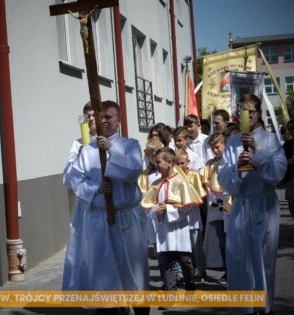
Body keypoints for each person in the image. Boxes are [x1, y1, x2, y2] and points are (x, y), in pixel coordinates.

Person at [62, 101, 149, 315]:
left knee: (133, 273)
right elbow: (74, 179)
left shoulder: (130, 145)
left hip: (125, 219)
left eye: (109, 117)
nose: (104, 121)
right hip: (100, 220)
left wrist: (110, 149)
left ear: (119, 120)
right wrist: (96, 188)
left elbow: (133, 170)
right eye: (101, 117)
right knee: (106, 273)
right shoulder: (86, 149)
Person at [217, 93, 287, 315]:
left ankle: (263, 308)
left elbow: (278, 172)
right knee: (238, 258)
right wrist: (237, 168)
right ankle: (243, 308)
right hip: (241, 206)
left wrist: (257, 152)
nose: (245, 116)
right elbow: (223, 175)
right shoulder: (232, 141)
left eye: (250, 111)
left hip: (263, 205)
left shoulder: (270, 139)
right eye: (241, 112)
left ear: (259, 113)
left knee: (263, 259)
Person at [141, 148, 203, 291]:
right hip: (164, 231)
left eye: (158, 162)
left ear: (169, 162)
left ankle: (190, 288)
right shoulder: (156, 184)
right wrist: (156, 209)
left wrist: (168, 209)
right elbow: (148, 205)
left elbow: (188, 207)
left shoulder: (181, 182)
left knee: (185, 262)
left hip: (178, 230)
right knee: (165, 263)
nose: (156, 165)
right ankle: (171, 292)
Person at [175, 149, 208, 282]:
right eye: (177, 164)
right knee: (182, 246)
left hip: (192, 214)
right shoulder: (175, 176)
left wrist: (189, 204)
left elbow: (199, 195)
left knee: (196, 245)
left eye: (182, 163)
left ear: (188, 161)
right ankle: (186, 272)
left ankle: (201, 270)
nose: (180, 166)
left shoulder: (195, 175)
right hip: (179, 215)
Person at [203, 132, 229, 283]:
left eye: (217, 146)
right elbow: (205, 182)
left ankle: (231, 269)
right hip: (214, 207)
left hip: (227, 205)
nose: (215, 150)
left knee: (228, 240)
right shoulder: (209, 164)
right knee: (220, 240)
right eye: (213, 147)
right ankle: (226, 268)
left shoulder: (228, 162)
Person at [63, 102, 96, 189]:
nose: (91, 118)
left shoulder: (109, 139)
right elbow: (67, 178)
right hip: (88, 196)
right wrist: (79, 156)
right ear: (85, 120)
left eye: (94, 115)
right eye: (88, 116)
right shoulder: (77, 144)